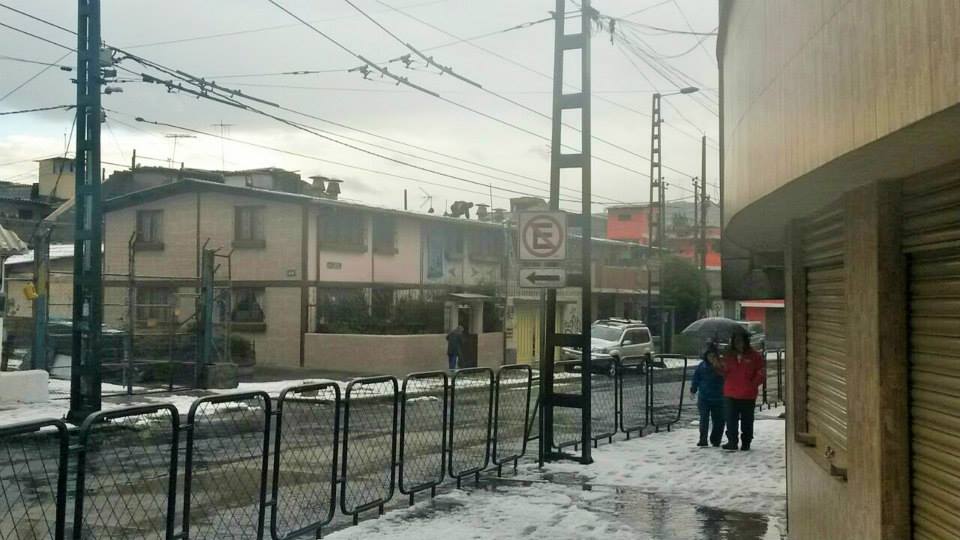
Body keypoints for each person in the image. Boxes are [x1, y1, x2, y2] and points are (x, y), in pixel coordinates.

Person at [720, 327, 765, 451]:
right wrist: (717, 364)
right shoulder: (728, 356)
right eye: (735, 341)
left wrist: (752, 384)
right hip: (730, 393)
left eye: (740, 341)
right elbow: (723, 372)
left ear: (746, 341)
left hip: (747, 394)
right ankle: (732, 441)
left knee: (747, 421)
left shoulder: (755, 356)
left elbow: (761, 373)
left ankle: (746, 442)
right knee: (730, 419)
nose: (738, 344)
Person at [690, 344, 725, 447]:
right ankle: (703, 439)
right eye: (709, 356)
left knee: (718, 420)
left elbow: (727, 377)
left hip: (719, 397)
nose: (711, 358)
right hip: (704, 397)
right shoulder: (702, 366)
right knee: (704, 418)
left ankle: (716, 439)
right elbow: (696, 378)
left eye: (713, 356)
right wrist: (693, 389)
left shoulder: (721, 366)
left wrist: (718, 369)